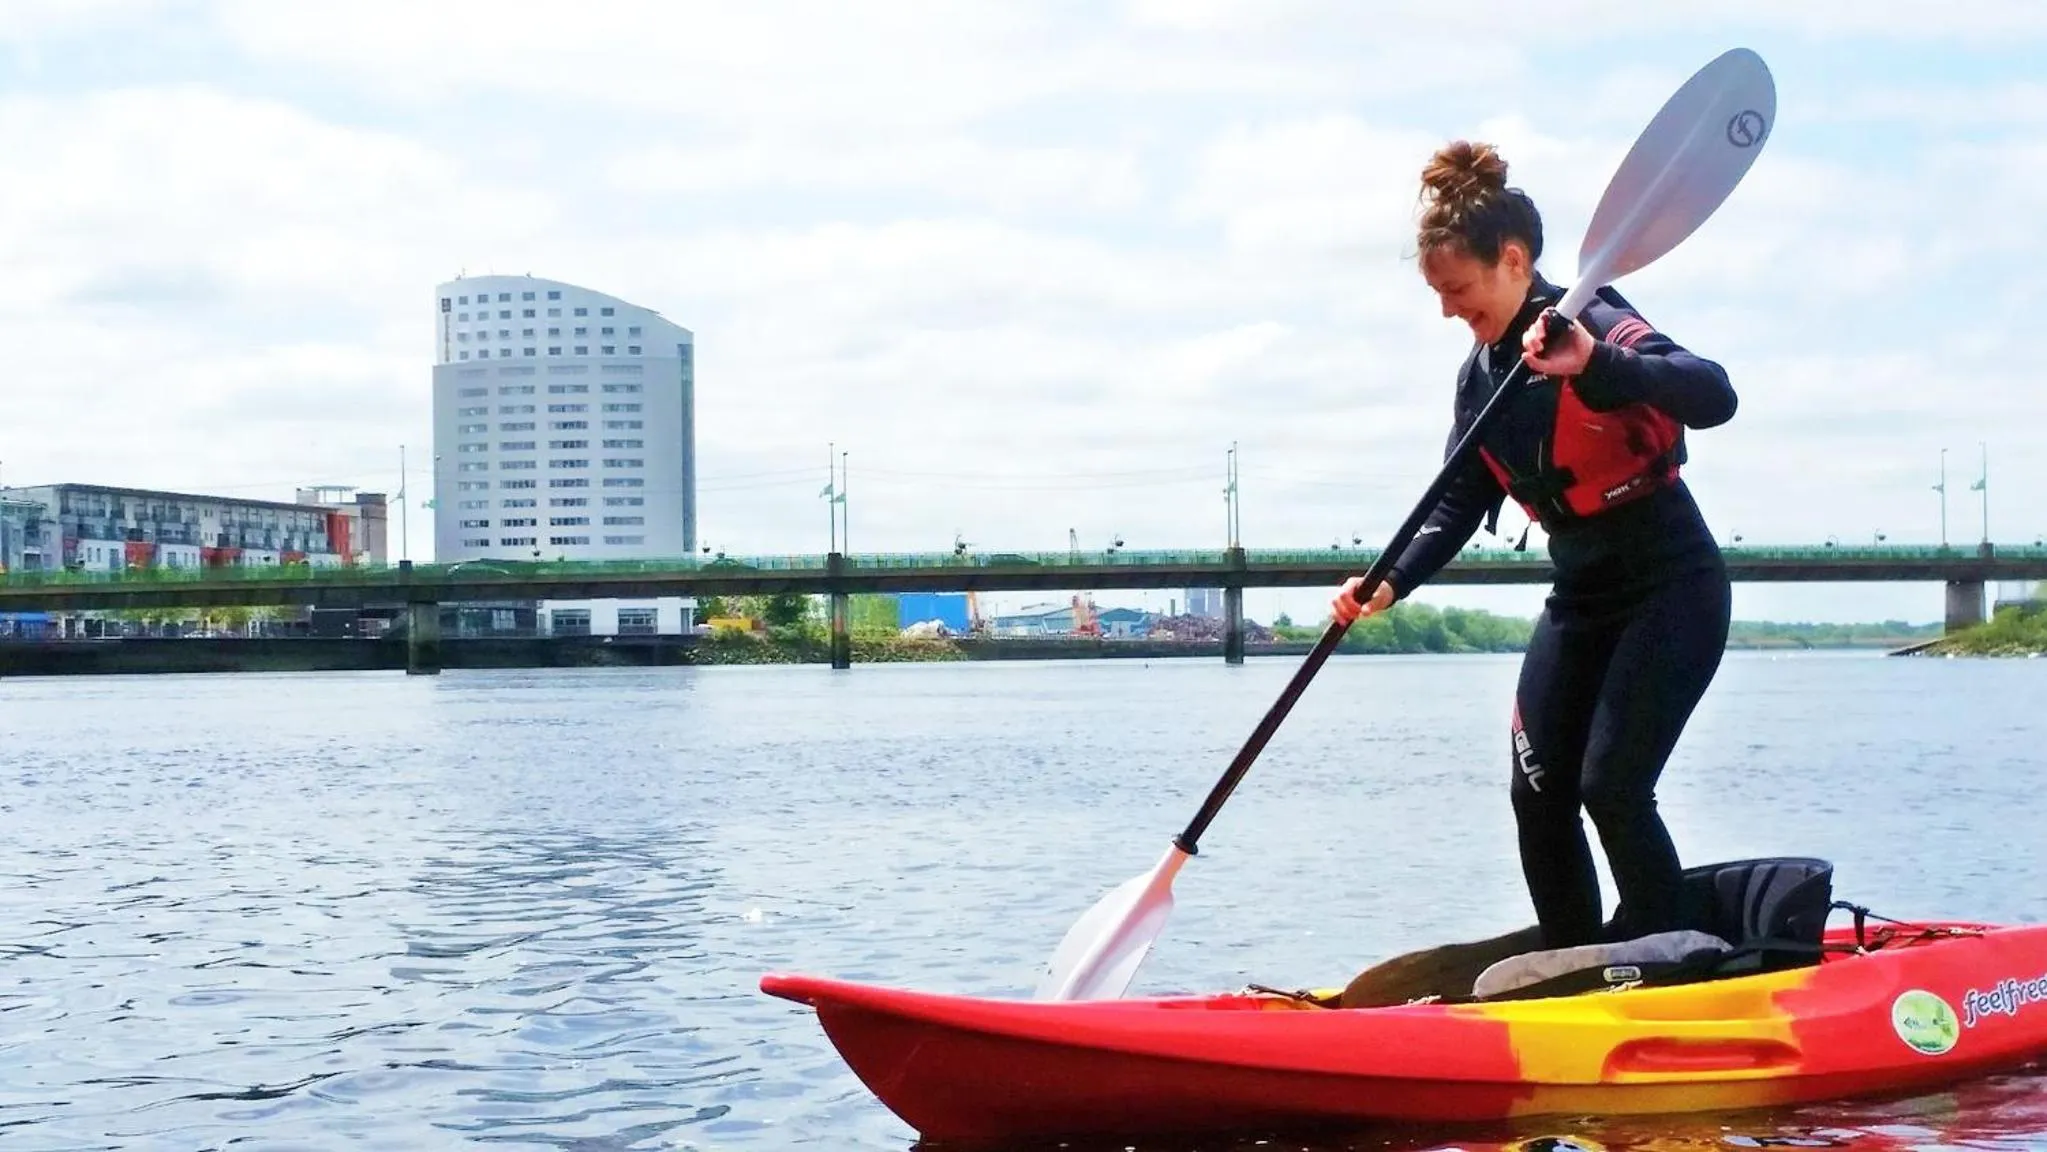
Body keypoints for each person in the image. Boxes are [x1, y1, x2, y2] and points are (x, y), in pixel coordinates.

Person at [1332, 139, 1738, 952]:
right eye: (1436, 294)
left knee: (1612, 787)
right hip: (1582, 594)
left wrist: (1595, 361)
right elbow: (1456, 496)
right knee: (1538, 789)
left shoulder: (1591, 318)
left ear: (1512, 260)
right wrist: (1389, 581)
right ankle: (1571, 966)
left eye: (1457, 289)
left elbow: (1712, 393)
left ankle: (1678, 963)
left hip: (1670, 583)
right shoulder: (1480, 374)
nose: (1447, 308)